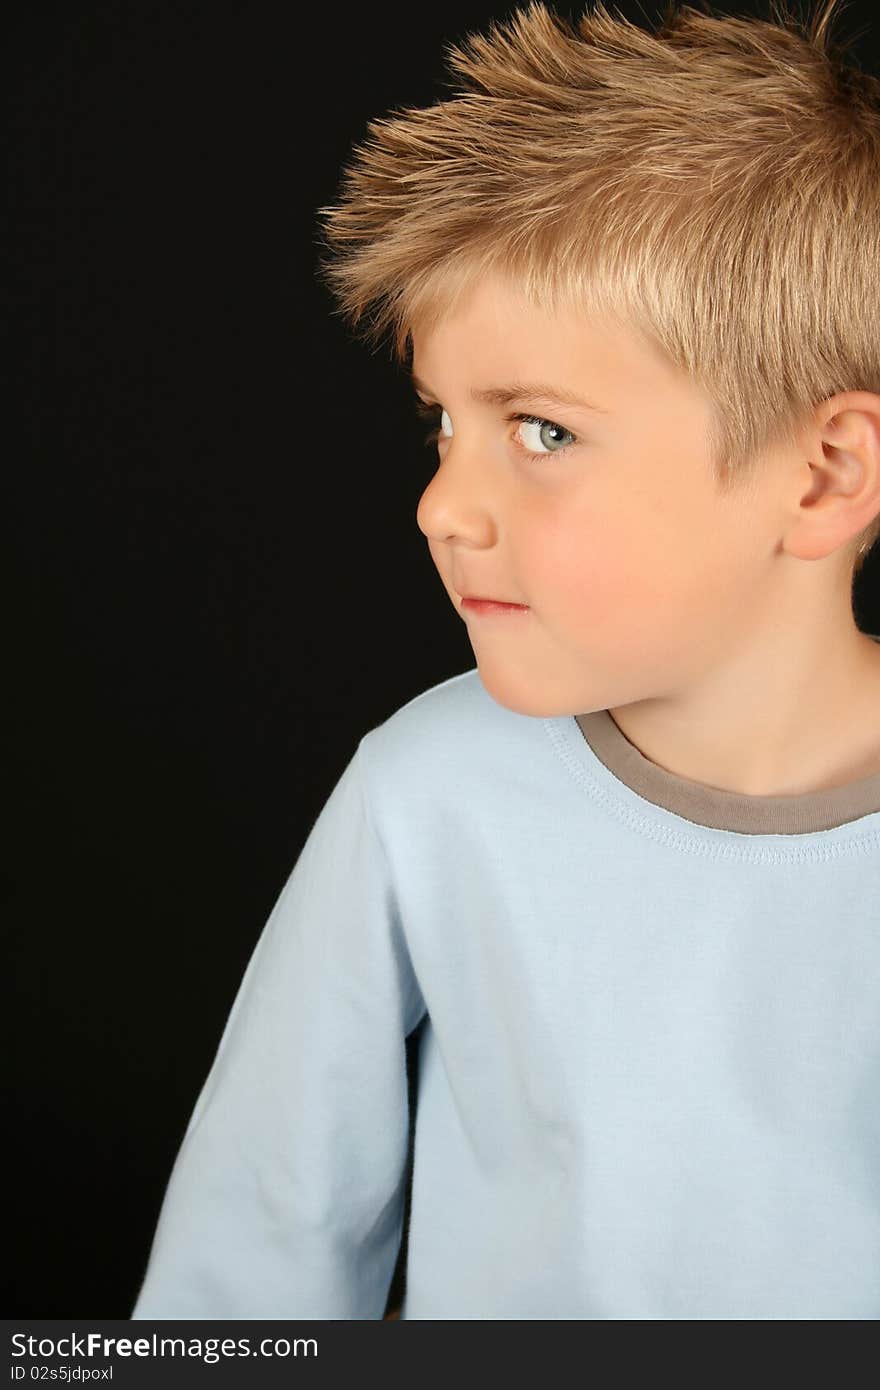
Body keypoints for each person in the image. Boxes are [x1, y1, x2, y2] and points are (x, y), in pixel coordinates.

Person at [130, 0, 880, 1320]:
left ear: (822, 475)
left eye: (539, 431)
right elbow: (255, 1248)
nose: (440, 506)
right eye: (441, 426)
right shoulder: (428, 793)